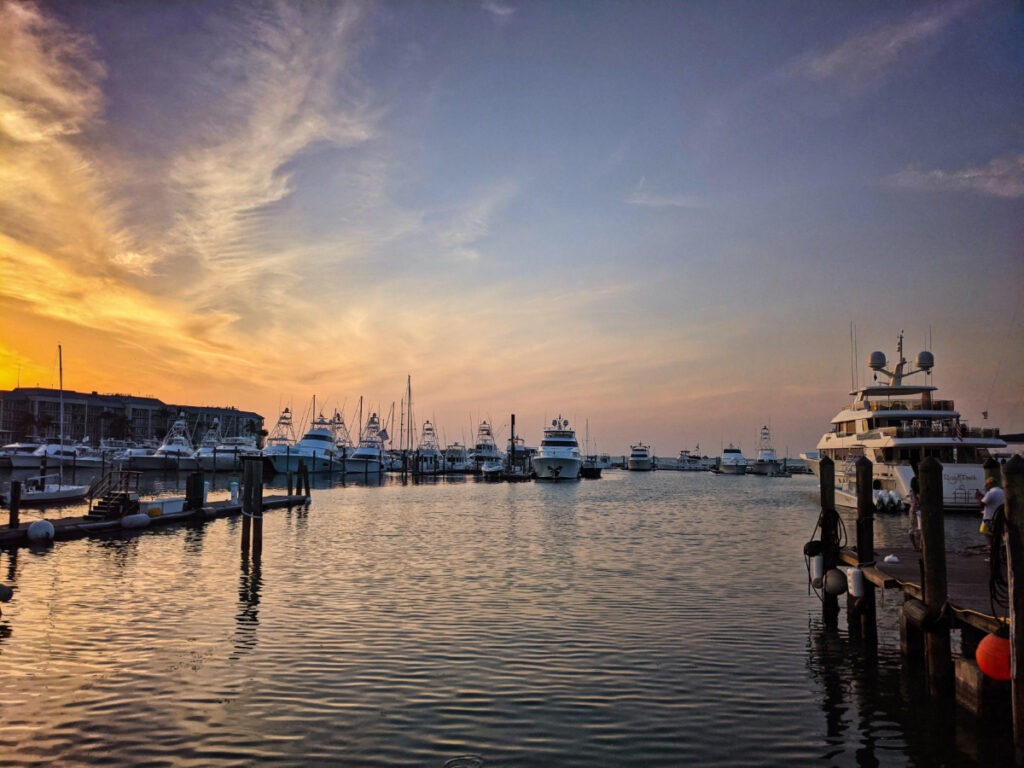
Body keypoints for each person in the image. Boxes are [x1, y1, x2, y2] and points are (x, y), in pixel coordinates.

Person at [976, 476, 1006, 543]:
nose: (986, 486)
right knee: (998, 536)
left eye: (986, 484)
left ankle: (992, 547)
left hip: (990, 519)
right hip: (1000, 518)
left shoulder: (991, 493)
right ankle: (997, 546)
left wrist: (978, 497)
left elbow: (981, 504)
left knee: (985, 532)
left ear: (990, 484)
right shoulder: (1002, 491)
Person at [907, 476, 922, 551]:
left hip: (915, 510)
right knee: (916, 529)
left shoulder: (912, 491)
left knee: (916, 529)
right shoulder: (914, 492)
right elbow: (916, 502)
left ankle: (918, 546)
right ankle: (917, 546)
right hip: (916, 511)